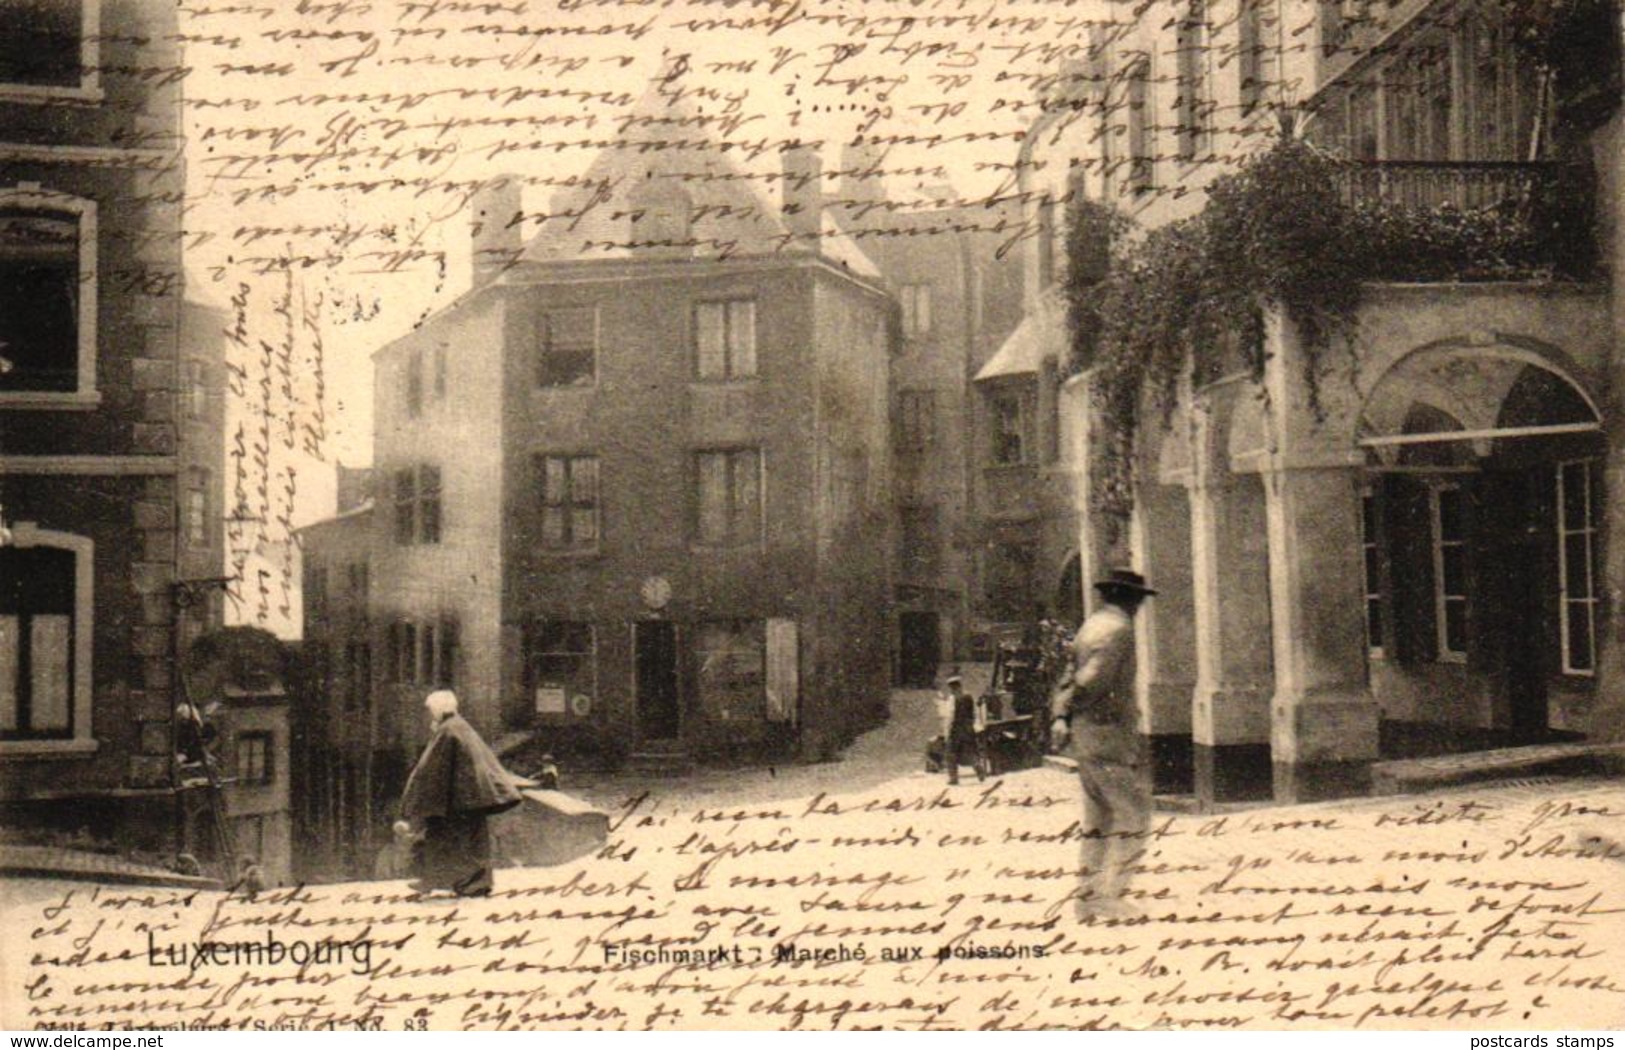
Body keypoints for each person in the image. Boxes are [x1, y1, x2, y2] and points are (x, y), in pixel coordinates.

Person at [1050, 568, 1156, 919]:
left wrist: (1061, 715)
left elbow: (1068, 675)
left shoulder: (1090, 626)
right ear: (1131, 599)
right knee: (1135, 815)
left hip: (1086, 733)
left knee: (1099, 819)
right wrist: (1070, 708)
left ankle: (1086, 897)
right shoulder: (1119, 630)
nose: (1139, 606)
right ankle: (1109, 896)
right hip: (1106, 733)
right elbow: (1090, 680)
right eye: (1138, 600)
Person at [399, 690, 523, 898]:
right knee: (468, 841)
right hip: (467, 798)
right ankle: (464, 883)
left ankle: (448, 882)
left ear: (439, 709)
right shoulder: (458, 727)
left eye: (430, 710)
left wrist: (420, 796)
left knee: (446, 839)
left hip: (457, 800)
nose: (429, 714)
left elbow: (431, 768)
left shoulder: (448, 731)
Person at [937, 671, 983, 786]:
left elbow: (950, 716)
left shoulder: (952, 699)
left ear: (952, 687)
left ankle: (954, 778)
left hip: (956, 729)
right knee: (969, 751)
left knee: (951, 753)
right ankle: (979, 769)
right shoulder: (968, 696)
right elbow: (974, 713)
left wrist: (947, 731)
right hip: (968, 729)